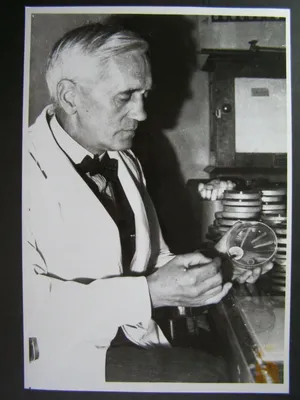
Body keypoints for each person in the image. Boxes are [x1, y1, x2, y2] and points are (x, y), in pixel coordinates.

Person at [23, 22, 273, 390]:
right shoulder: (21, 167)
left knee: (242, 371)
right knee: (228, 379)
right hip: (57, 359)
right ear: (70, 95)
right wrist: (151, 293)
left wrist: (214, 265)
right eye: (124, 96)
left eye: (144, 94)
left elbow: (151, 260)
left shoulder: (123, 159)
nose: (141, 113)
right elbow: (23, 308)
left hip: (132, 341)